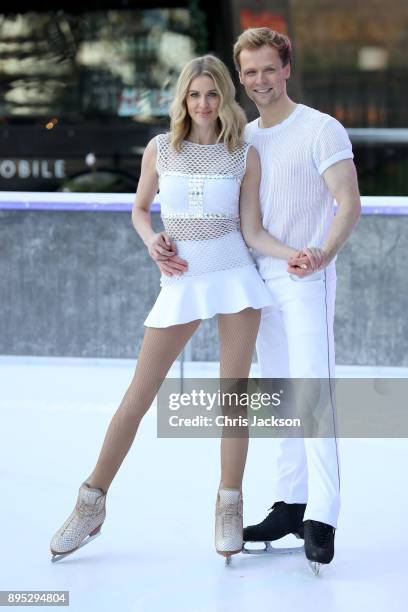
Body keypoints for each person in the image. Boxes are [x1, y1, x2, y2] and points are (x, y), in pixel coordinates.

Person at [49, 54, 312, 564]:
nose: (204, 103)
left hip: (236, 280)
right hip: (182, 280)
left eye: (213, 93)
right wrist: (151, 242)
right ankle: (91, 502)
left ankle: (229, 506)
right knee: (138, 396)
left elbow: (253, 230)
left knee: (232, 401)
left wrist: (292, 254)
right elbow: (140, 209)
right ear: (183, 99)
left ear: (224, 98)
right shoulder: (159, 150)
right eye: (195, 94)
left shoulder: (244, 154)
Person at [232, 27, 362, 573]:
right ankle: (290, 505)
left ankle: (323, 517)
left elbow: (349, 201)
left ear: (287, 68)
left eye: (269, 68)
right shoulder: (243, 138)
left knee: (312, 393)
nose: (260, 80)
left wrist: (323, 255)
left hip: (306, 277)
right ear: (240, 77)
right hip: (260, 278)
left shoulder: (320, 128)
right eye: (250, 71)